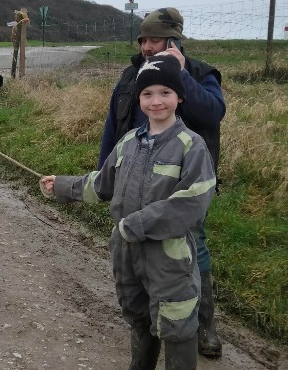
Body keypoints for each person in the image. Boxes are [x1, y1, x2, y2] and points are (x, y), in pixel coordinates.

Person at [40, 53, 217, 370]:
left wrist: (135, 224)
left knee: (177, 325)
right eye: (147, 94)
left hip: (169, 258)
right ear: (139, 99)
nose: (156, 101)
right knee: (138, 316)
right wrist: (62, 186)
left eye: (165, 93)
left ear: (179, 97)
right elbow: (102, 184)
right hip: (127, 254)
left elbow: (193, 202)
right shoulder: (127, 144)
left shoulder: (192, 146)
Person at [97, 7, 225, 358]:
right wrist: (105, 175)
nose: (147, 47)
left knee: (190, 246)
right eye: (143, 40)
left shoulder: (199, 73)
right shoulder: (130, 77)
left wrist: (181, 75)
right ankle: (149, 317)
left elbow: (213, 113)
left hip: (179, 186)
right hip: (133, 181)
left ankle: (202, 324)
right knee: (139, 247)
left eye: (155, 39)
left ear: (174, 39)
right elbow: (114, 128)